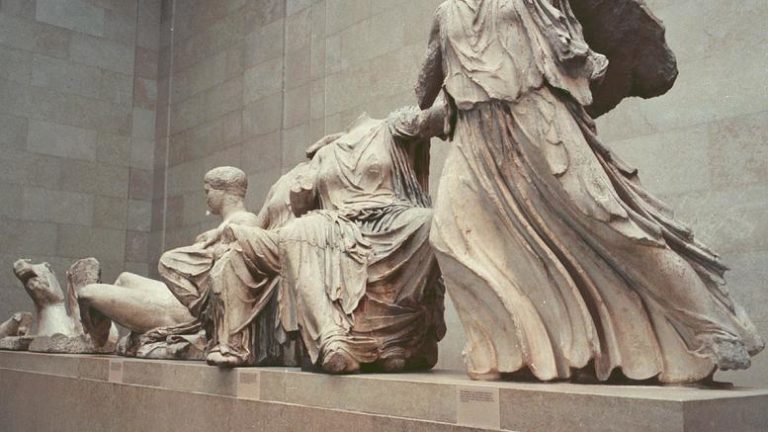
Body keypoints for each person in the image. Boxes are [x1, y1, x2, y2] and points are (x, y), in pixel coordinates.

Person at [415, 0, 763, 383]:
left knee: (612, 225)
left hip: (540, 120)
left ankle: (711, 329)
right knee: (450, 235)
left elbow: (576, 51)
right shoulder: (445, 13)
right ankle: (511, 351)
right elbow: (424, 91)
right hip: (474, 136)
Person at [204, 104, 448, 373]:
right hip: (336, 224)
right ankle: (331, 339)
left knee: (429, 221)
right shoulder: (324, 154)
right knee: (301, 231)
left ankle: (398, 338)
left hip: (391, 217)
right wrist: (300, 196)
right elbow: (304, 205)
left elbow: (436, 118)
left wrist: (454, 92)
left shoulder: (390, 128)